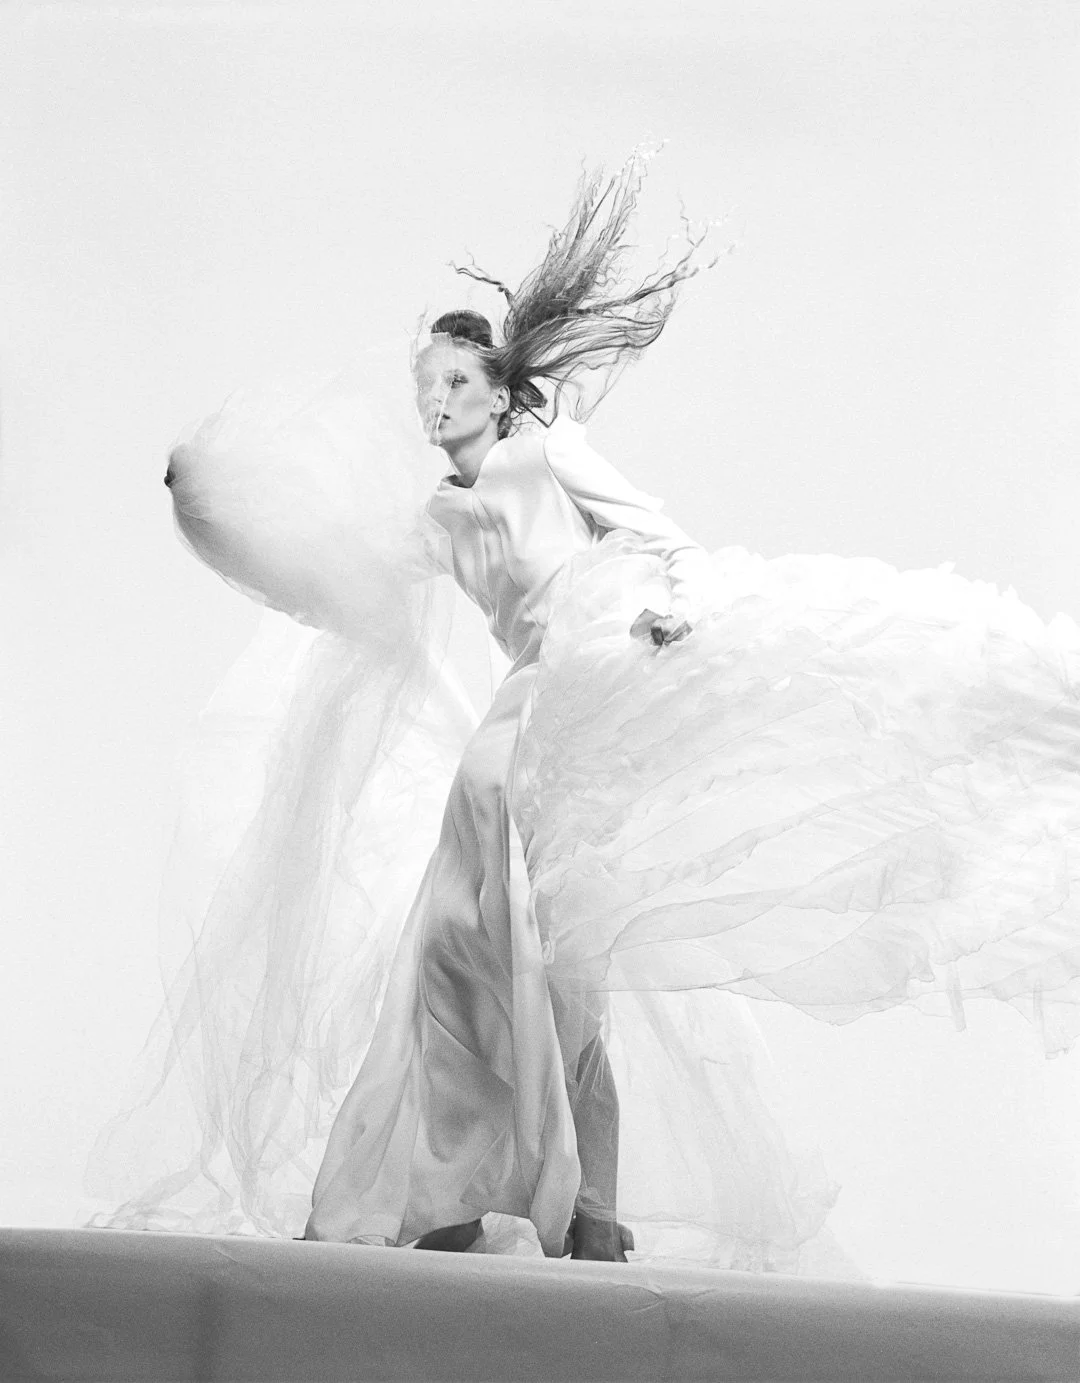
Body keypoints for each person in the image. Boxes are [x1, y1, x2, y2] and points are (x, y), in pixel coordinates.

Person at [89, 151, 1080, 1276]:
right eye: (424, 389)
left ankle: (584, 1203)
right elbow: (348, 582)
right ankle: (454, 1186)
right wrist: (222, 511)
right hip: (516, 713)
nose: (434, 402)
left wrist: (669, 611)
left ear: (498, 388)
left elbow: (664, 538)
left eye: (453, 381)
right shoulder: (441, 515)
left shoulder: (548, 456)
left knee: (561, 959)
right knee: (456, 945)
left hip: (584, 695)